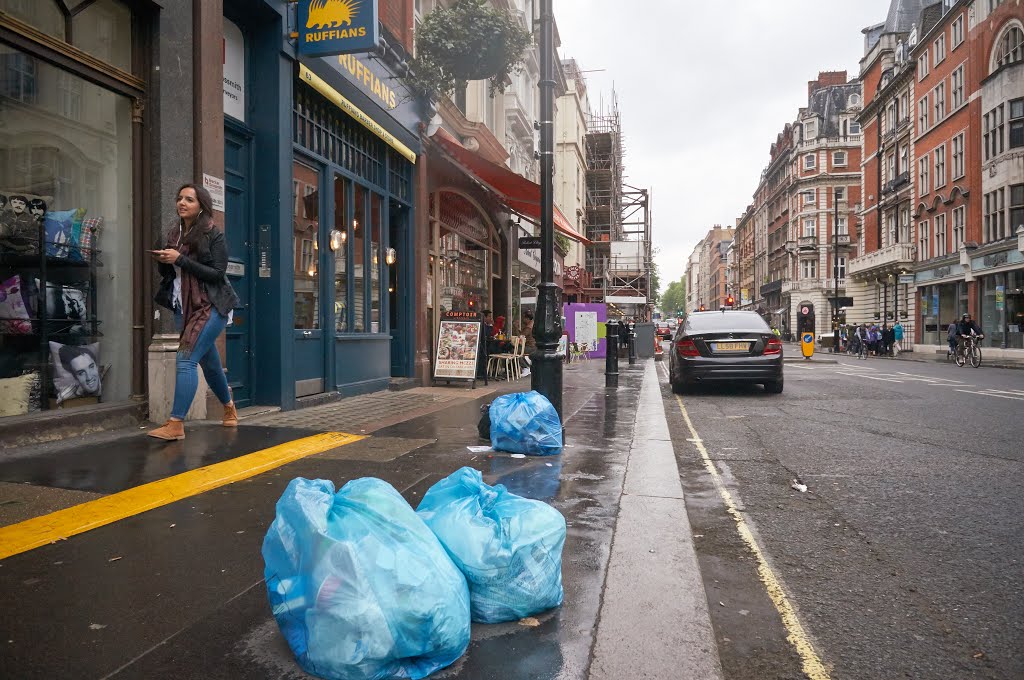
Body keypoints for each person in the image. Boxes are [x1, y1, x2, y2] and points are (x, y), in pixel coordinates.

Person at [148, 183, 240, 441]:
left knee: (185, 358)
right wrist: (164, 261)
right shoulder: (172, 235)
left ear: (201, 205)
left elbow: (217, 273)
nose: (182, 203)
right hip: (183, 306)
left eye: (189, 199)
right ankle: (230, 409)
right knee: (209, 363)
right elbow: (171, 276)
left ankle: (176, 424)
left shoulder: (213, 233)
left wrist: (180, 259)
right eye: (179, 198)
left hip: (211, 306)